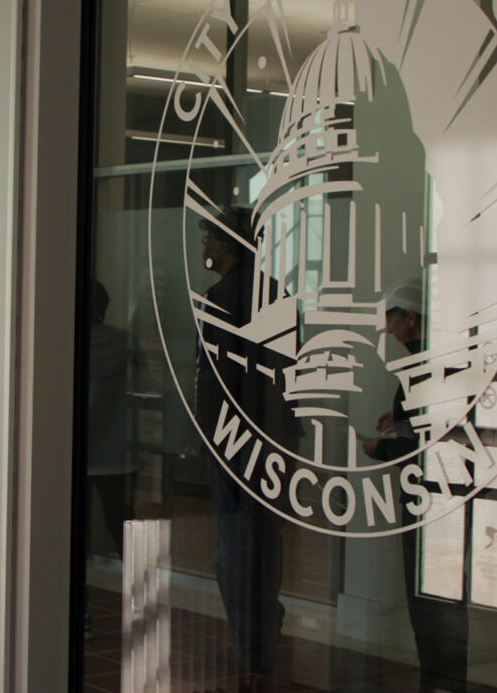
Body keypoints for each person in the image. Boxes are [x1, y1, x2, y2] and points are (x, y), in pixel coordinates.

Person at [194, 206, 290, 679]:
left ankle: (248, 640)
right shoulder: (279, 295)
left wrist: (212, 440)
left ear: (226, 244)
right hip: (273, 440)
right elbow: (289, 380)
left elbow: (212, 383)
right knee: (264, 540)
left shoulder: (219, 299)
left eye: (210, 239)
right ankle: (264, 628)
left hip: (233, 443)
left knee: (233, 543)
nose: (205, 247)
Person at [363, 278, 469, 693]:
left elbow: (431, 440)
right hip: (442, 490)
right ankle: (442, 679)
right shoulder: (437, 358)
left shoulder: (426, 363)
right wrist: (400, 422)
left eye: (392, 320)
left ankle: (439, 680)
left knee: (430, 598)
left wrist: (381, 449)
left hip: (430, 494)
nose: (388, 331)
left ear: (411, 317)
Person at [85, 279, 137, 560]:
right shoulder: (126, 343)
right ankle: (138, 592)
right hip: (117, 453)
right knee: (121, 525)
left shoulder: (63, 345)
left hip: (77, 451)